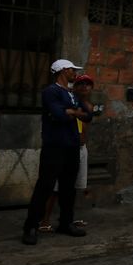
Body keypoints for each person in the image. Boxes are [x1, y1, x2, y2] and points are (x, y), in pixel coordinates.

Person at [22, 59, 90, 245]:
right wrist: (74, 112)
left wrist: (73, 111)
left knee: (68, 188)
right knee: (45, 187)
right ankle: (31, 226)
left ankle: (66, 223)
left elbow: (90, 114)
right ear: (62, 70)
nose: (74, 73)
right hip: (54, 146)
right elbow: (58, 114)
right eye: (71, 70)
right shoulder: (51, 91)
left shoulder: (72, 93)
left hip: (72, 147)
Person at [39, 73, 94, 232]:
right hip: (65, 147)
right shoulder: (67, 101)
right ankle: (45, 220)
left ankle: (67, 219)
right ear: (74, 86)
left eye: (88, 84)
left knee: (72, 187)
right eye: (81, 84)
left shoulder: (86, 105)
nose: (84, 87)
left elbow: (87, 119)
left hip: (80, 149)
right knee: (54, 187)